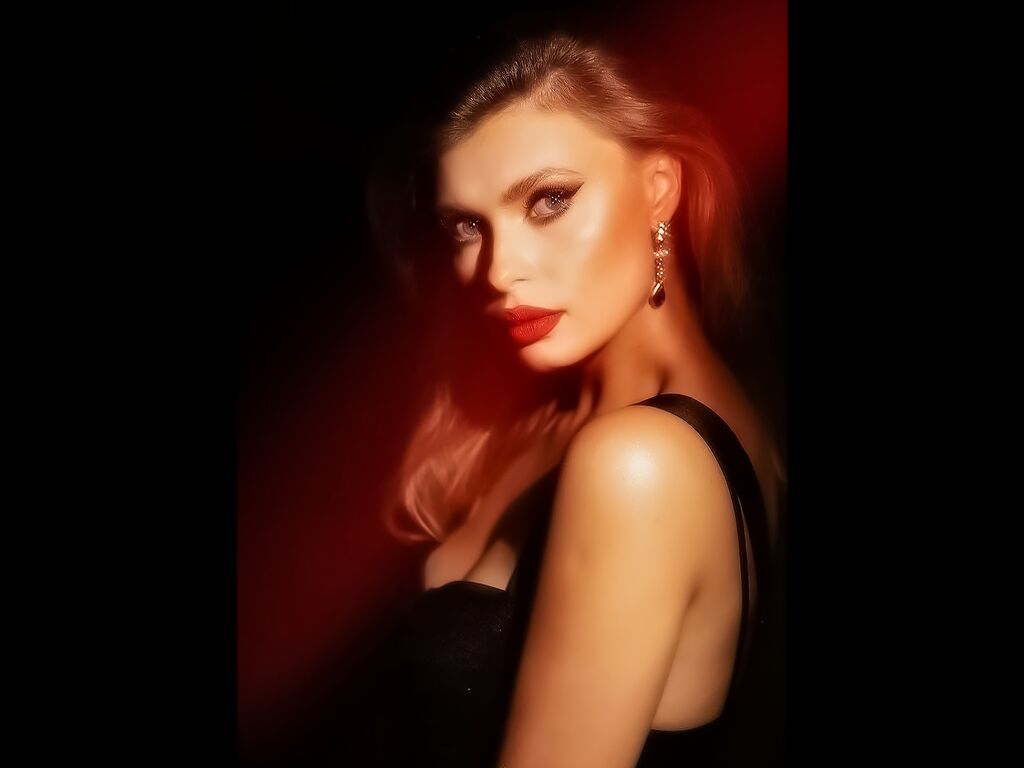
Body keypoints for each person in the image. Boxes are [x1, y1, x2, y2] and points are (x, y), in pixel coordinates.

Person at [365, 30, 787, 768]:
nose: (499, 271)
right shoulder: (555, 411)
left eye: (548, 200)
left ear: (659, 188)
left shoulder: (642, 462)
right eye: (467, 226)